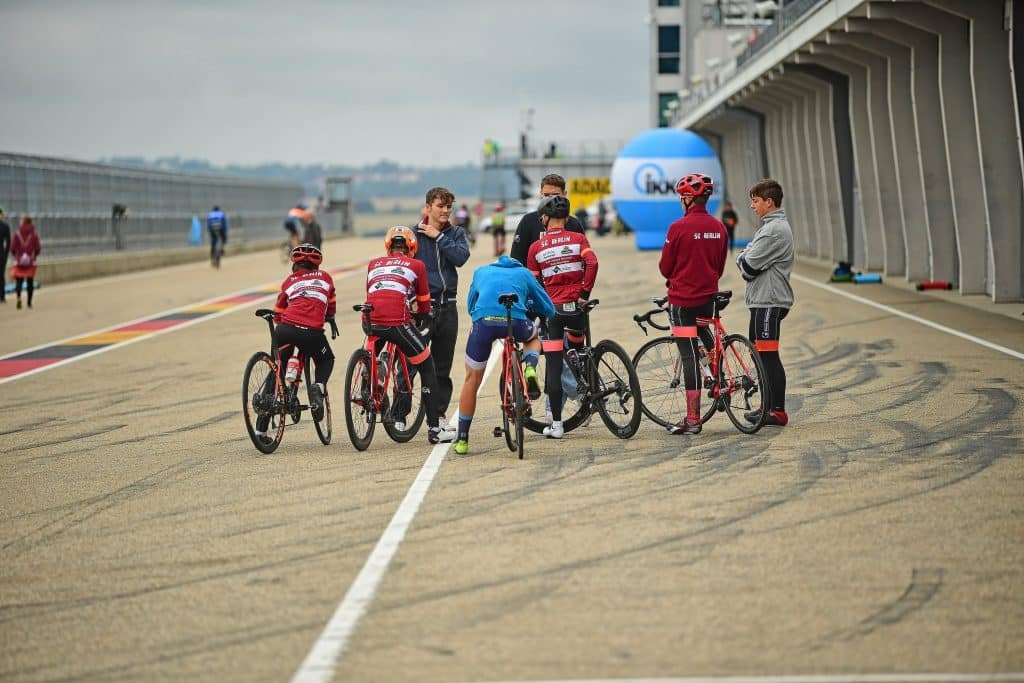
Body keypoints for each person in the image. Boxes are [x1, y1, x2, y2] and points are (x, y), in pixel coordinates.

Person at [450, 255, 555, 455]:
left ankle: (462, 439)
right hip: (516, 322)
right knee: (533, 338)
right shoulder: (524, 273)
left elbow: (471, 305)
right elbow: (548, 309)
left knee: (471, 379)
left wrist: (483, 317)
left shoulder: (481, 271)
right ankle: (530, 366)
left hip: (484, 323)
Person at [364, 226, 448, 444]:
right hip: (397, 321)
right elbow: (423, 301)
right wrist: (422, 316)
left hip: (370, 319)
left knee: (376, 336)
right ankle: (435, 429)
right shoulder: (416, 264)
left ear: (388, 246)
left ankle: (375, 370)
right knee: (426, 363)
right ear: (412, 248)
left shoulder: (374, 264)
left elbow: (373, 293)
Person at [658, 173, 728, 435]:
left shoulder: (677, 228)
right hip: (708, 297)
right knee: (705, 333)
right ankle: (718, 379)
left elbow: (666, 268)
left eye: (681, 198)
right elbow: (719, 267)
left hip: (682, 300)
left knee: (688, 355)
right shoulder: (719, 227)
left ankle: (692, 418)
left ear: (688, 199)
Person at [526, 195, 599, 439]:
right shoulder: (578, 239)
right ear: (566, 218)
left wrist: (539, 303)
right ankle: (580, 367)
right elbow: (593, 262)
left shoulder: (536, 248)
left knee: (554, 367)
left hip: (553, 310)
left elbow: (533, 282)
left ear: (545, 219)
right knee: (578, 343)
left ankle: (557, 426)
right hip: (577, 307)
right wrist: (584, 293)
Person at [254, 244, 337, 444]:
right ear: (316, 265)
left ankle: (260, 430)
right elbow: (330, 308)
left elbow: (278, 311)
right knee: (327, 359)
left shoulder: (289, 281)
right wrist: (328, 318)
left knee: (277, 369)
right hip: (312, 334)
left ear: (294, 265)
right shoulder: (325, 278)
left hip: (285, 330)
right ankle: (317, 386)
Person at [737, 178, 794, 427]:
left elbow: (747, 266)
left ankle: (777, 410)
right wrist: (745, 256)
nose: (752, 206)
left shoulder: (774, 230)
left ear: (769, 202)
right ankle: (767, 405)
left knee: (769, 356)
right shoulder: (768, 227)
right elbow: (747, 256)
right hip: (761, 301)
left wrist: (744, 258)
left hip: (769, 302)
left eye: (756, 201)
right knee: (759, 356)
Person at [413, 186, 471, 430]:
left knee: (442, 367)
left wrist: (438, 236)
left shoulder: (455, 233)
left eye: (449, 206)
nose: (446, 211)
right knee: (409, 363)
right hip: (422, 309)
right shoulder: (413, 235)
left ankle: (437, 416)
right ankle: (399, 411)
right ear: (428, 208)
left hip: (448, 308)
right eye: (440, 206)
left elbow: (461, 257)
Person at [509, 173, 585, 265]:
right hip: (535, 278)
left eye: (555, 195)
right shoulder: (528, 221)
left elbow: (584, 259)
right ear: (541, 194)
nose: (550, 199)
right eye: (546, 195)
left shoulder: (574, 224)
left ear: (564, 194)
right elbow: (517, 258)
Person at [10, 214, 41, 310]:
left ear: (23, 222)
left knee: (19, 281)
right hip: (31, 262)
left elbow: (13, 248)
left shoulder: (17, 233)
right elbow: (38, 248)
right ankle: (29, 302)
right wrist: (34, 255)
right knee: (30, 282)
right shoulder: (34, 234)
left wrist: (16, 255)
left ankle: (19, 298)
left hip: (19, 261)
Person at [0, 208, 10, 303]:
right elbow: (8, 241)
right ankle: (2, 296)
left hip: (2, 254)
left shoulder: (5, 226)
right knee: (1, 275)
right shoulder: (5, 226)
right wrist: (6, 253)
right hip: (2, 254)